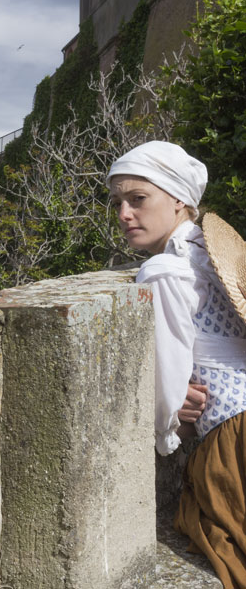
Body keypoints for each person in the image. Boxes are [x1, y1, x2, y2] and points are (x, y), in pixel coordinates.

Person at [107, 140, 246, 589]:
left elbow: (168, 375)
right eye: (119, 202)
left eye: (138, 199)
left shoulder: (164, 271)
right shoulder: (210, 256)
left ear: (179, 200)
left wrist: (168, 430)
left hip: (233, 439)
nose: (125, 214)